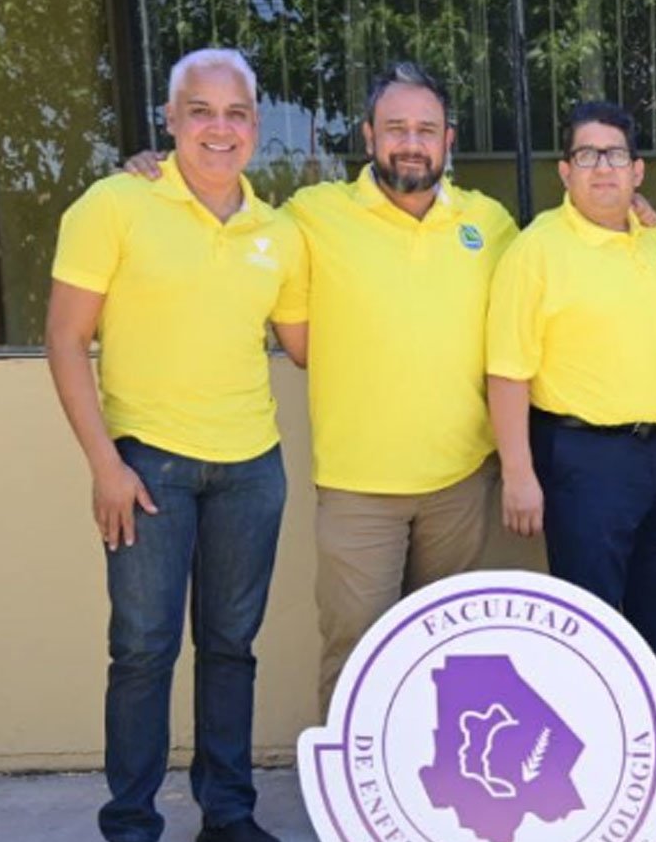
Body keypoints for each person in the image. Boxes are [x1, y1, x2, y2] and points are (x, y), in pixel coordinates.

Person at [123, 61, 517, 711]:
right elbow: (222, 205)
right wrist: (152, 173)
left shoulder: (492, 224)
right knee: (356, 651)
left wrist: (633, 207)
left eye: (427, 128)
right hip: (359, 486)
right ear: (367, 136)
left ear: (450, 139)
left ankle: (427, 796)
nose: (412, 142)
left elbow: (551, 278)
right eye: (395, 128)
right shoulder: (310, 216)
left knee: (446, 653)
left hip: (462, 481)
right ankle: (350, 804)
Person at [48, 49, 301, 842]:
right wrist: (103, 464)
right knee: (143, 650)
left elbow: (308, 342)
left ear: (257, 126)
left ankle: (226, 809)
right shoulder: (114, 205)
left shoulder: (281, 231)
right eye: (201, 111)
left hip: (251, 467)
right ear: (169, 119)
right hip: (146, 465)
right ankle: (131, 832)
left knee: (231, 648)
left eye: (236, 113)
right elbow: (63, 341)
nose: (219, 128)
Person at [484, 101, 656, 795]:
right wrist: (519, 472)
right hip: (584, 461)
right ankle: (605, 771)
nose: (602, 169)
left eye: (615, 154)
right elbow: (507, 369)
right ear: (564, 171)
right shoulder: (536, 250)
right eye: (586, 155)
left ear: (637, 168)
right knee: (593, 626)